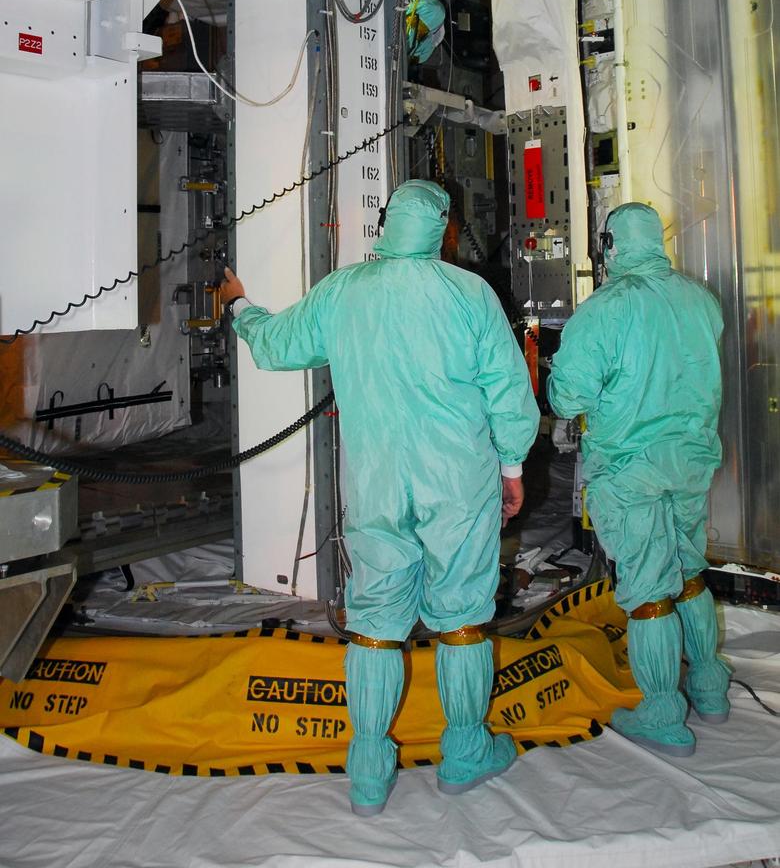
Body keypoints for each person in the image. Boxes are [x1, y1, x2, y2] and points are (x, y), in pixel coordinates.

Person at [221, 179, 540, 814]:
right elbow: (508, 393)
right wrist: (511, 467)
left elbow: (277, 346)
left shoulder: (345, 290)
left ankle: (368, 772)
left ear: (385, 224)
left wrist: (238, 307)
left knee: (373, 624)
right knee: (462, 616)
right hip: (458, 484)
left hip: (375, 486)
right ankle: (466, 751)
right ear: (444, 229)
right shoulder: (469, 294)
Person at [548, 202, 729, 758]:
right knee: (689, 569)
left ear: (611, 245)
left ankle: (662, 712)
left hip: (631, 471)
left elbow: (568, 396)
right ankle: (710, 687)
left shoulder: (604, 310)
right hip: (692, 460)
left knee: (649, 589)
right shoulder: (700, 300)